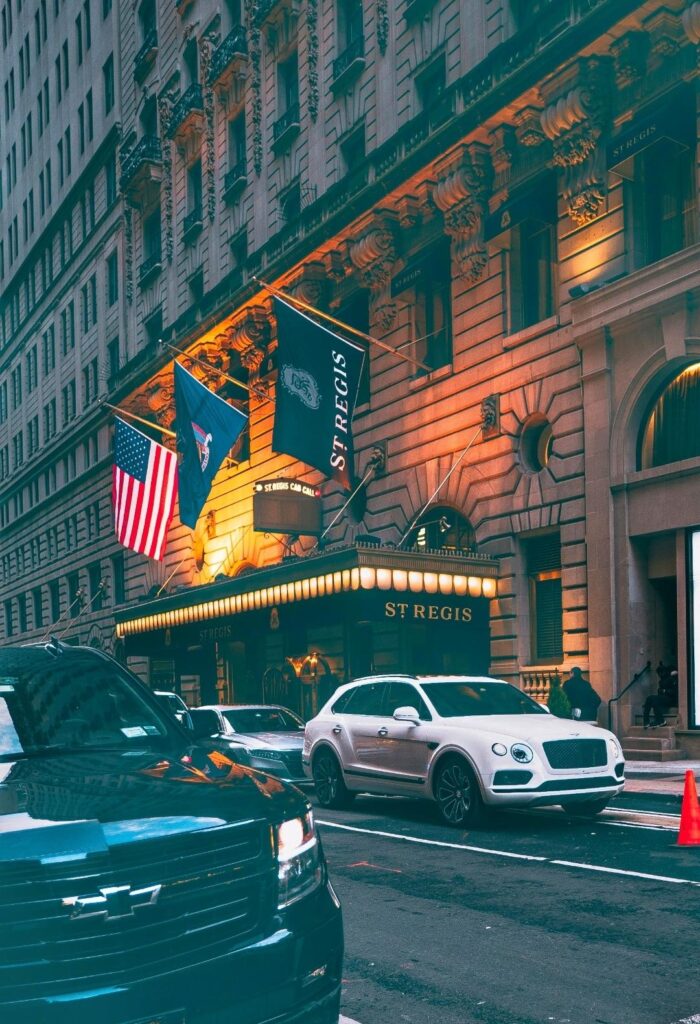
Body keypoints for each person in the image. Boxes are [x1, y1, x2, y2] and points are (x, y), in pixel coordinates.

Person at [643, 664, 678, 729]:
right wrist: (661, 691)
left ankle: (661, 720)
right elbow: (660, 692)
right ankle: (646, 721)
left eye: (661, 672)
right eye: (659, 673)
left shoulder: (671, 679)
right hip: (664, 698)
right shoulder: (661, 681)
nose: (660, 674)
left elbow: (675, 692)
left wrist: (664, 691)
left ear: (664, 671)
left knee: (654, 700)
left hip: (671, 699)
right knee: (649, 698)